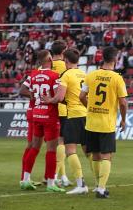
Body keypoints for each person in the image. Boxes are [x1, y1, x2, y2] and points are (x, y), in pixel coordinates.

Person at [80, 46, 129, 199]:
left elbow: (81, 96)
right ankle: (101, 189)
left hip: (91, 122)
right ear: (115, 59)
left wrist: (91, 107)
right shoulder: (117, 78)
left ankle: (97, 185)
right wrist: (123, 120)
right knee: (107, 156)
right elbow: (123, 102)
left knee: (95, 155)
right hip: (106, 123)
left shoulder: (91, 75)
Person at [44, 49, 89, 195]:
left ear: (66, 61)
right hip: (86, 114)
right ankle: (100, 184)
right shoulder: (85, 74)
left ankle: (81, 184)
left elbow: (59, 97)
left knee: (70, 150)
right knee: (89, 152)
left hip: (73, 115)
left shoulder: (66, 74)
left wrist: (49, 100)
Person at [20, 50, 63, 192]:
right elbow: (58, 97)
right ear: (50, 59)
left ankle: (25, 180)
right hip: (49, 115)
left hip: (36, 114)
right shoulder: (54, 76)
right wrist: (53, 100)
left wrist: (34, 96)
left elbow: (25, 90)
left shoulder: (33, 75)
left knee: (34, 147)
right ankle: (51, 183)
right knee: (51, 150)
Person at [50, 40, 69, 188]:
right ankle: (55, 175)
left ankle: (63, 176)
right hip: (62, 107)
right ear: (63, 52)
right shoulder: (66, 66)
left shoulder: (44, 66)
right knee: (62, 142)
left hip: (47, 109)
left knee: (54, 144)